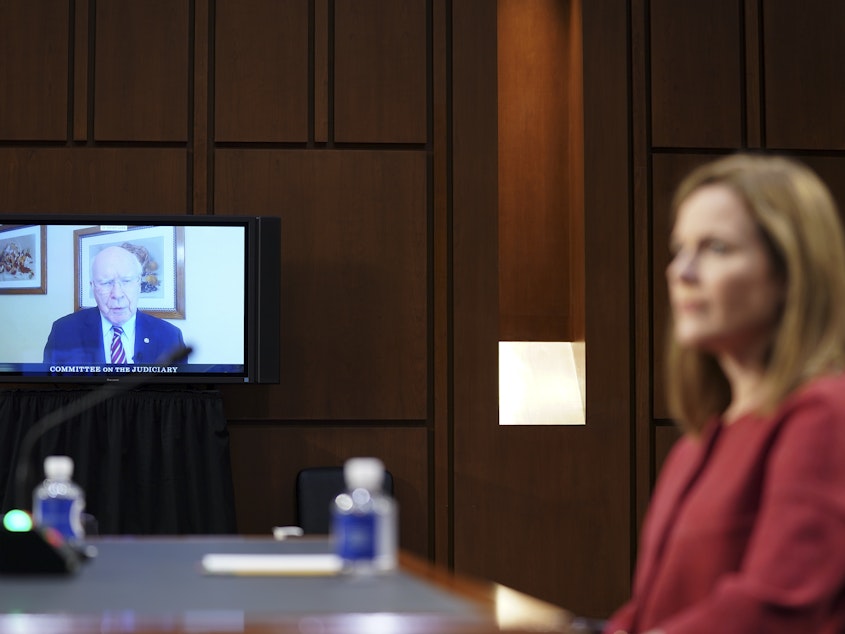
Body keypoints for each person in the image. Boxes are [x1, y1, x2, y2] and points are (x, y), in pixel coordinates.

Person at [604, 154, 845, 634]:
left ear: (788, 273)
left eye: (715, 248)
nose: (682, 272)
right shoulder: (702, 439)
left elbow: (772, 610)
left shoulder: (824, 416)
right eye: (679, 249)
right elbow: (649, 612)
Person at [43, 245, 187, 365]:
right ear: (92, 287)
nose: (117, 294)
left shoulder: (171, 337)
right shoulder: (62, 332)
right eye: (106, 283)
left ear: (139, 284)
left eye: (127, 281)